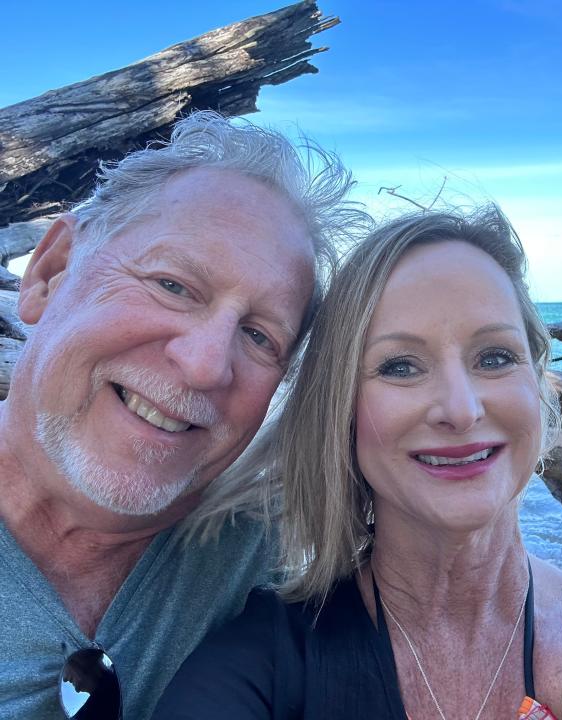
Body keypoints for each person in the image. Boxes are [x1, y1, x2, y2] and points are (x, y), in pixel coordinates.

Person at [155, 206, 562, 719]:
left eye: (495, 357)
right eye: (400, 366)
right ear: (341, 411)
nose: (460, 409)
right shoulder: (266, 660)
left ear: (536, 385)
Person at [0, 111, 355, 719]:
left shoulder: (265, 566)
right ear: (50, 273)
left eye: (260, 336)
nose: (205, 364)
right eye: (173, 285)